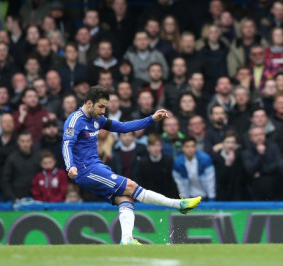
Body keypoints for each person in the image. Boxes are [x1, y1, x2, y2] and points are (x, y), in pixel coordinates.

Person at [62, 85, 201, 245]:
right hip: (86, 170)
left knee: (126, 198)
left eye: (105, 107)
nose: (103, 111)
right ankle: (178, 204)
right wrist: (70, 166)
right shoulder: (75, 120)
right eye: (101, 106)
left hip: (96, 167)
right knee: (131, 185)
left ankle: (126, 239)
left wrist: (151, 119)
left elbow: (122, 127)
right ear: (89, 103)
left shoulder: (97, 119)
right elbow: (67, 144)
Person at [136, 134, 180, 199]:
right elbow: (142, 183)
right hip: (149, 200)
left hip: (167, 199)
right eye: (153, 145)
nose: (156, 148)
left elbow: (172, 183)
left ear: (161, 147)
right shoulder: (143, 162)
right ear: (148, 147)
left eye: (158, 145)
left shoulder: (169, 161)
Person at [172, 136, 216, 201]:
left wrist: (211, 198)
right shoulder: (177, 162)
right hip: (189, 197)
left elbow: (210, 180)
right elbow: (179, 183)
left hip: (205, 196)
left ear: (196, 148)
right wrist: (184, 199)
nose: (190, 149)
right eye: (187, 146)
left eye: (192, 146)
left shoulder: (205, 159)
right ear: (182, 148)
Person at [2, 131, 40, 202]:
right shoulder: (12, 158)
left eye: (27, 141)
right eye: (22, 141)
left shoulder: (38, 157)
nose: (25, 144)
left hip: (36, 198)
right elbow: (6, 180)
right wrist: (13, 197)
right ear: (18, 142)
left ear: (31, 142)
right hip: (17, 198)